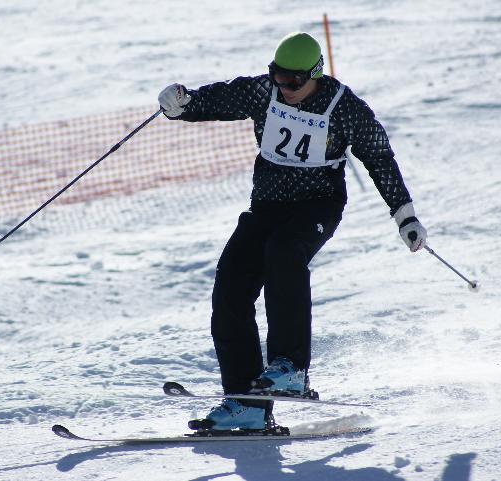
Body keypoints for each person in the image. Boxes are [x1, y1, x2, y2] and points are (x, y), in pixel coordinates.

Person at [157, 32, 427, 431]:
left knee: (284, 252)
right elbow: (222, 98)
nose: (284, 87)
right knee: (231, 283)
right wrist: (183, 104)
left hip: (317, 205)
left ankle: (291, 368)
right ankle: (247, 405)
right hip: (267, 206)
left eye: (293, 81)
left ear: (314, 74)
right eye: (278, 76)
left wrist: (404, 214)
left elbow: (379, 156)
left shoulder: (343, 107)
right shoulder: (266, 92)